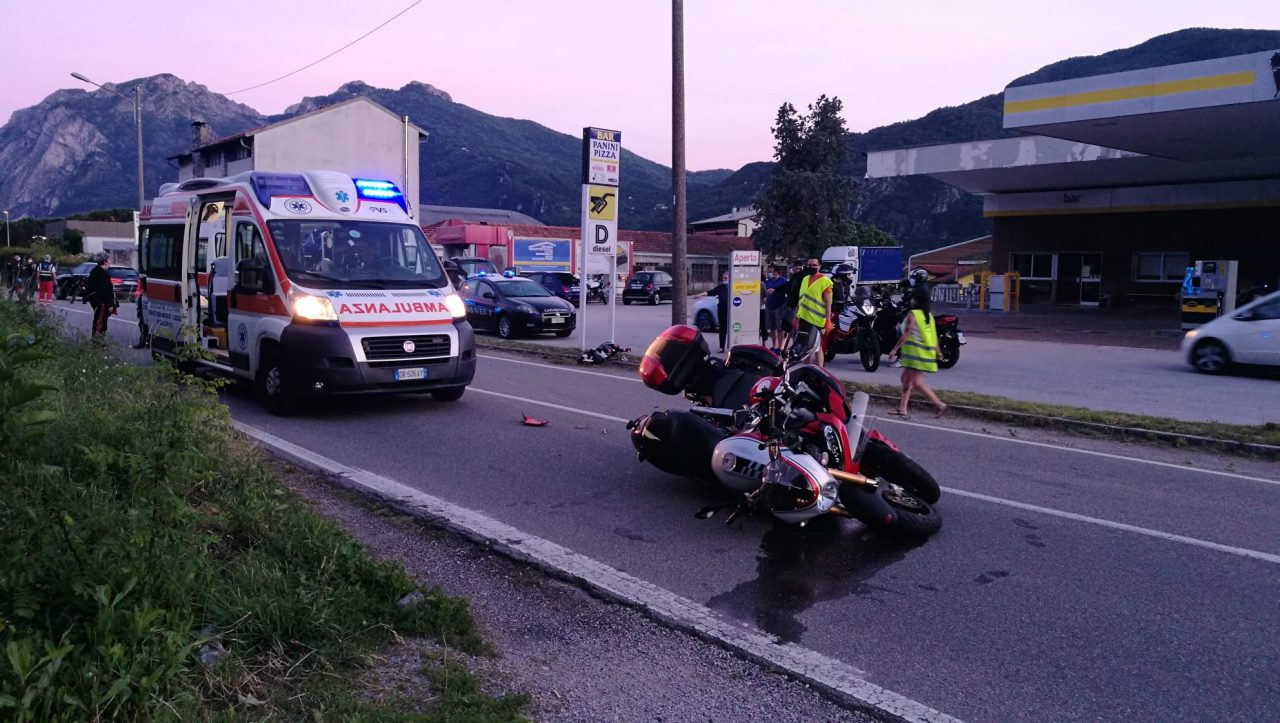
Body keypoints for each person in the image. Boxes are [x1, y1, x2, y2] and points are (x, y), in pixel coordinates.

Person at [886, 286, 947, 418]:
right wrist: (938, 352)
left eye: (913, 298)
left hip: (916, 356)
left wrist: (894, 349)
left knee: (917, 383)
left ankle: (939, 404)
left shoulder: (913, 314)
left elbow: (906, 334)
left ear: (916, 300)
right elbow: (933, 335)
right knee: (905, 379)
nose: (911, 300)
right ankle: (902, 408)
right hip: (920, 354)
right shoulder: (929, 316)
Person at [792, 258, 833, 367]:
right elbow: (801, 300)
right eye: (809, 265)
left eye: (814, 265)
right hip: (804, 318)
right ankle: (807, 369)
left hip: (816, 320)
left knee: (816, 347)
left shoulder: (825, 281)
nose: (811, 267)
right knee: (806, 346)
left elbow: (828, 303)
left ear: (819, 266)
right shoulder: (805, 279)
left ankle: (820, 371)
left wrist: (828, 320)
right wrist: (796, 318)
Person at [86, 253, 117, 339]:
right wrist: (109, 304)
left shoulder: (98, 272)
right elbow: (104, 291)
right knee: (100, 322)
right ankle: (97, 342)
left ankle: (98, 341)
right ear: (104, 261)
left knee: (101, 321)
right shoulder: (100, 274)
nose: (110, 262)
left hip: (99, 301)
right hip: (101, 303)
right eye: (109, 260)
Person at [763, 266, 789, 351]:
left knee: (779, 328)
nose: (769, 273)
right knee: (772, 328)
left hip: (779, 306)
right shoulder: (768, 281)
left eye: (771, 271)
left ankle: (780, 347)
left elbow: (785, 292)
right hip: (769, 306)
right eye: (769, 271)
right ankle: (774, 345)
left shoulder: (783, 281)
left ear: (776, 272)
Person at [707, 271, 730, 353]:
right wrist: (699, 295)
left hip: (732, 312)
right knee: (723, 329)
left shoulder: (734, 287)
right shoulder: (721, 287)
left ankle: (734, 346)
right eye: (723, 278)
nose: (724, 280)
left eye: (726, 278)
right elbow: (710, 292)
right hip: (722, 311)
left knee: (733, 329)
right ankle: (722, 347)